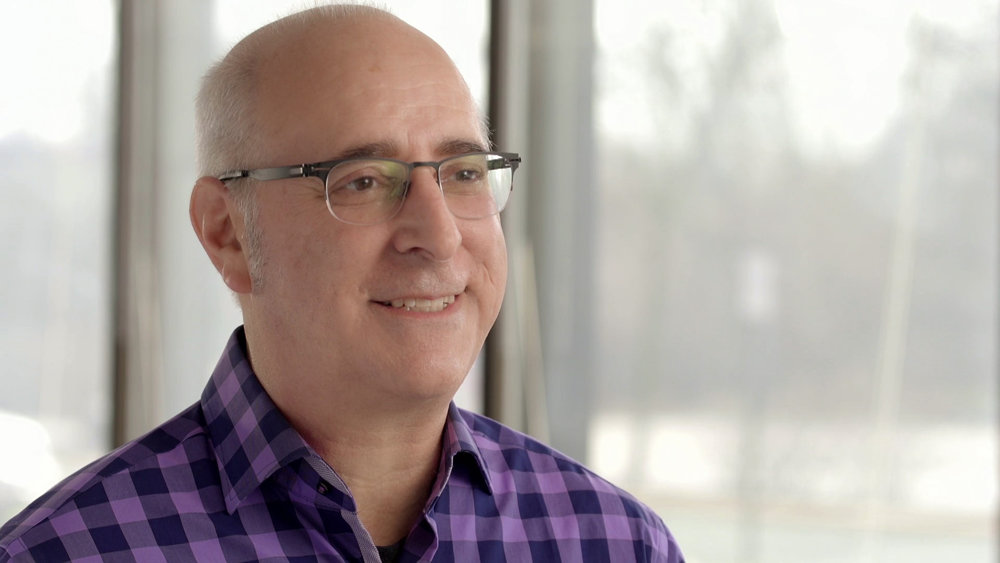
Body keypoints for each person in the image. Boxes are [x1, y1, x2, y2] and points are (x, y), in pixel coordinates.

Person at [0, 5, 683, 562]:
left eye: (465, 173)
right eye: (363, 182)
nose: (440, 235)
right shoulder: (63, 552)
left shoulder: (618, 544)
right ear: (227, 233)